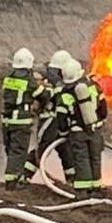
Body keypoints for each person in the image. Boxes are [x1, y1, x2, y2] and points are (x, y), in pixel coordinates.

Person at [56, 57, 107, 199]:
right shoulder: (94, 87)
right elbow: (103, 109)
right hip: (95, 129)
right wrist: (98, 123)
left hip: (77, 132)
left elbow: (61, 116)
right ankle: (96, 188)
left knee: (81, 159)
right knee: (95, 158)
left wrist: (63, 131)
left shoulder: (65, 94)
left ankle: (83, 191)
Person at [27, 50, 74, 183]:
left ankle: (72, 181)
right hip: (50, 122)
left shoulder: (58, 82)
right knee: (40, 152)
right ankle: (23, 177)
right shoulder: (51, 84)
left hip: (61, 122)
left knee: (67, 153)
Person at [1, 48, 44, 190]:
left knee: (11, 149)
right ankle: (12, 182)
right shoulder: (29, 81)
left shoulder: (8, 79)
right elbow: (43, 96)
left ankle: (12, 178)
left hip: (7, 119)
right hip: (21, 120)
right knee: (19, 151)